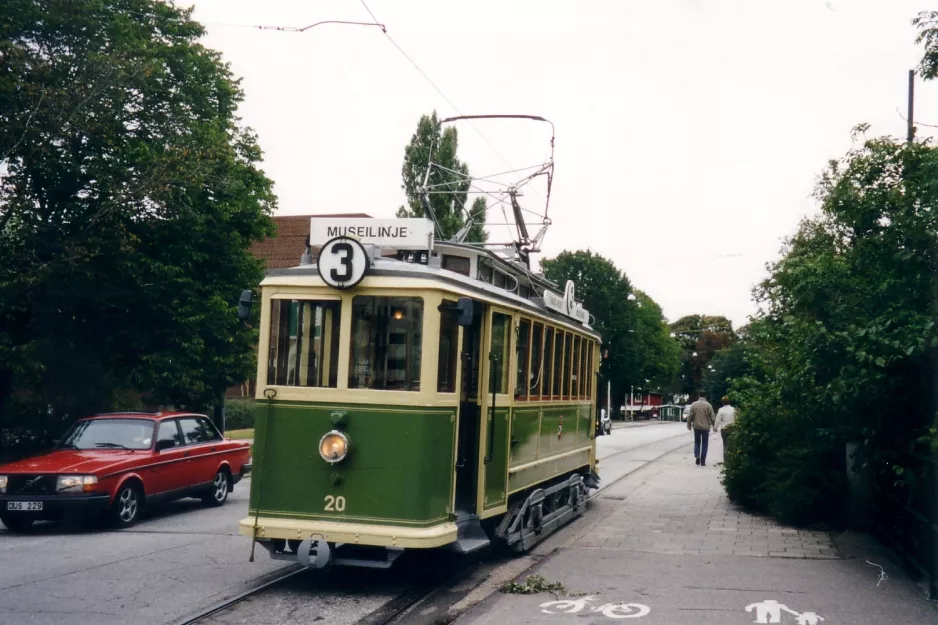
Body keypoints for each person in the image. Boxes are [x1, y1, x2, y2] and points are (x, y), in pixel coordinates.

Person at [687, 391, 715, 466]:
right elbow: (712, 417)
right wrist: (714, 425)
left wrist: (689, 425)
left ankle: (697, 456)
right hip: (705, 427)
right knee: (705, 443)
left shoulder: (694, 404)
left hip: (696, 426)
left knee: (697, 442)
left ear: (699, 395)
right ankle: (703, 460)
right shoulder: (708, 405)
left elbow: (690, 416)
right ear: (705, 396)